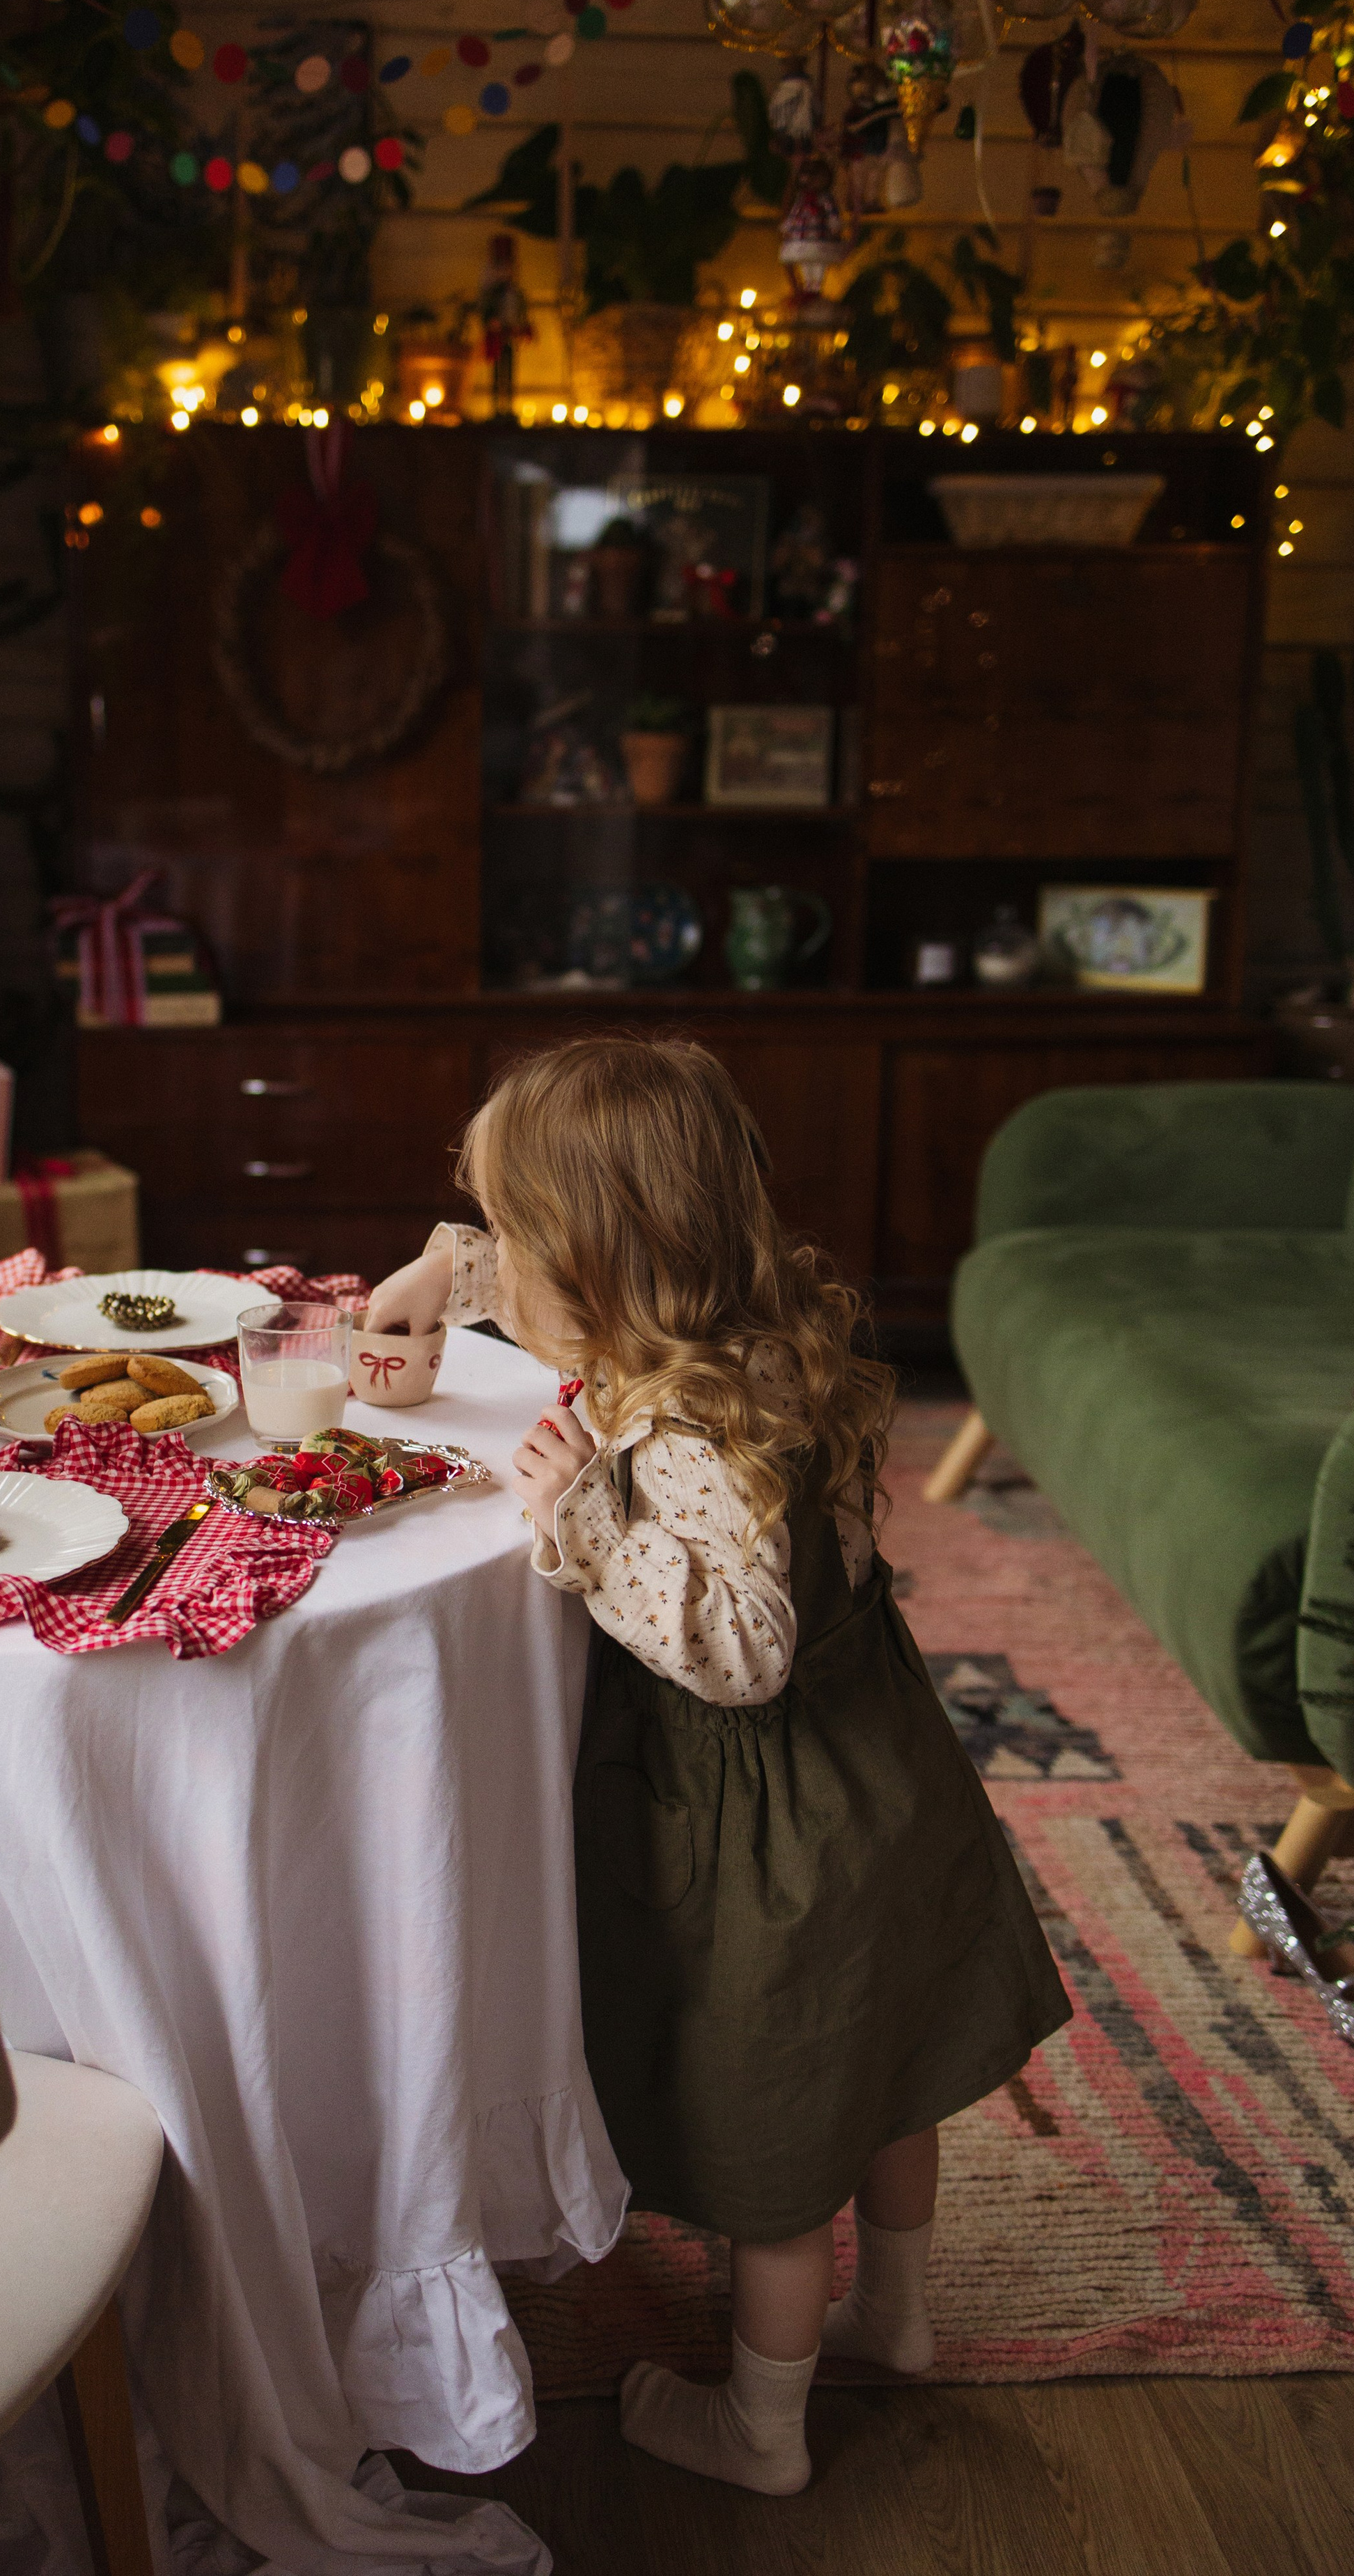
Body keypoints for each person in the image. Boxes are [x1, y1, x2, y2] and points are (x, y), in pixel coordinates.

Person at [366, 1038, 1071, 2497]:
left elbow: (736, 1649)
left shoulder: (673, 1424)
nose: (499, 1258)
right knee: (888, 2081)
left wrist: (584, 1523)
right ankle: (898, 2316)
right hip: (882, 1777)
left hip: (769, 1825)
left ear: (598, 1258)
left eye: (514, 1238)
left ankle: (760, 2427)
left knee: (778, 2140)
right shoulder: (751, 1332)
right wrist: (447, 1274)